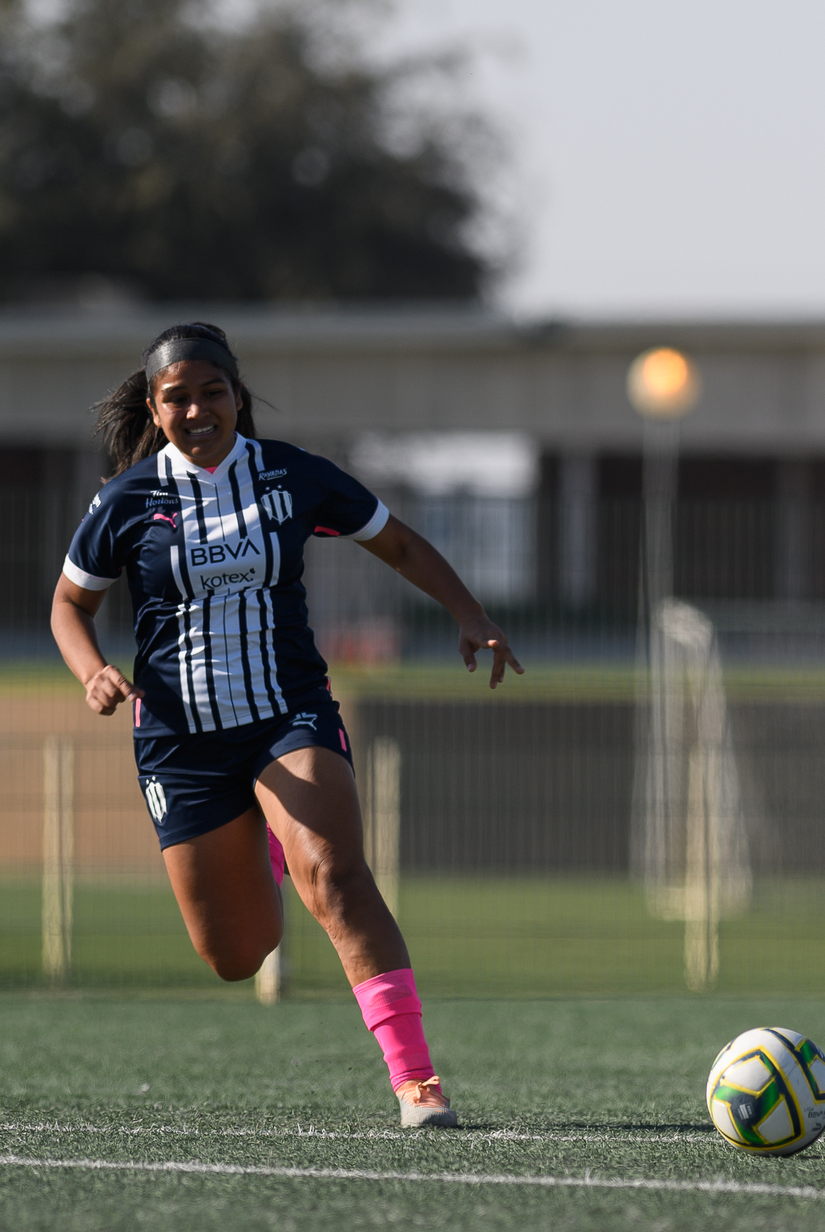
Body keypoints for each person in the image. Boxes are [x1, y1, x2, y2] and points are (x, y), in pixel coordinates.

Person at [49, 322, 521, 1128]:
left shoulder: (292, 476)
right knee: (235, 956)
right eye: (177, 398)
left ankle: (417, 1082)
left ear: (237, 395)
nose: (197, 410)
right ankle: (265, 842)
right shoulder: (126, 501)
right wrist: (93, 671)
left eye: (213, 392)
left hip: (286, 716)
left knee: (336, 878)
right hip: (180, 742)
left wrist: (469, 612)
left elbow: (397, 544)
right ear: (155, 410)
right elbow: (69, 604)